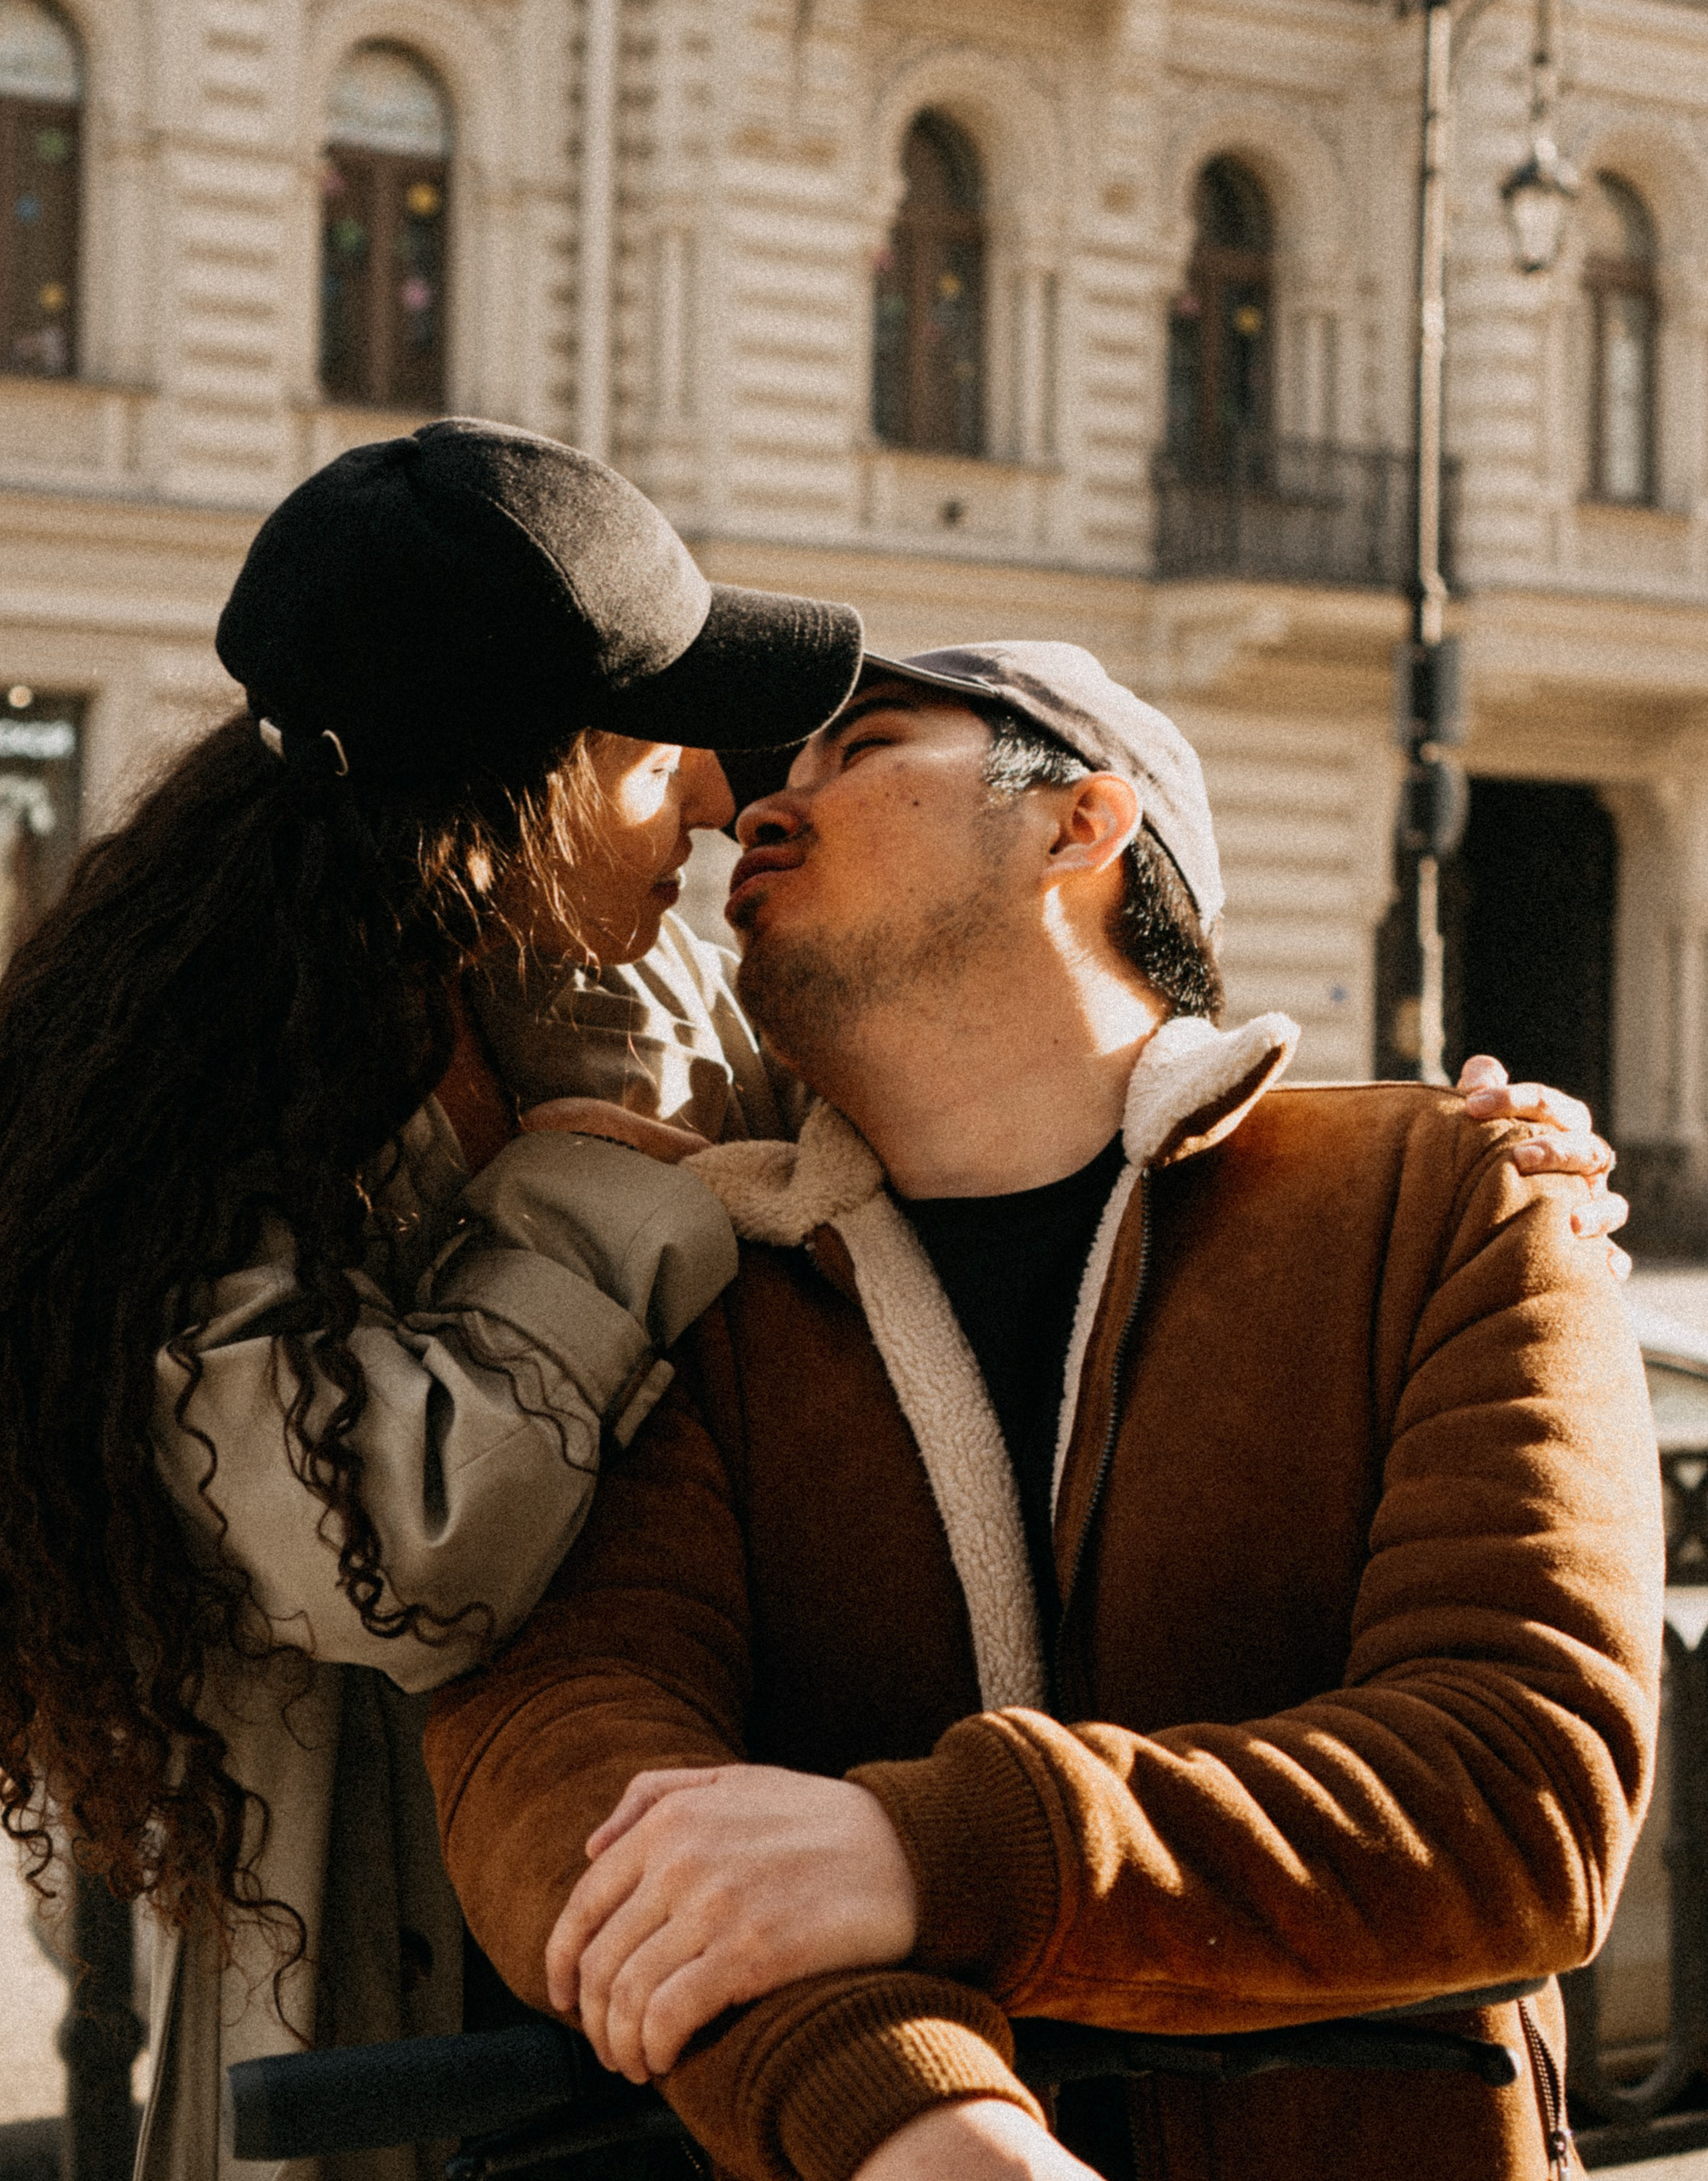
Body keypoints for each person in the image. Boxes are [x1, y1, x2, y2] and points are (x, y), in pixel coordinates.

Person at [425, 642, 1665, 2181]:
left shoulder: (1443, 1200)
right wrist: (916, 2121)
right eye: (768, 785)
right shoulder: (689, 1275)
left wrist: (923, 1853)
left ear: (1083, 825)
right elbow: (560, 1770)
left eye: (859, 750)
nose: (755, 812)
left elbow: (1517, 1789)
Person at [0, 418, 864, 2181]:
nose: (711, 791)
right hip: (395, 1987)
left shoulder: (622, 984)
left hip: (697, 1912)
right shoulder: (201, 1086)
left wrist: (1404, 1147)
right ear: (508, 782)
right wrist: (604, 1193)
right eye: (650, 745)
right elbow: (385, 1551)